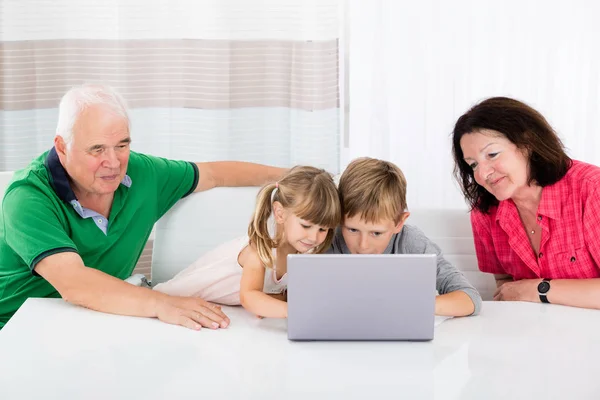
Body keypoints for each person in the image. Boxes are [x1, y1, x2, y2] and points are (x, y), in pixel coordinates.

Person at [0, 84, 286, 330]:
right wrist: (162, 304)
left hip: (97, 323)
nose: (112, 162)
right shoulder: (28, 196)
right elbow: (74, 282)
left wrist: (300, 177)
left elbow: (213, 174)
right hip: (17, 328)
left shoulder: (142, 173)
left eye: (121, 145)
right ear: (62, 147)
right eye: (97, 149)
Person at [452, 96, 600, 309]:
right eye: (473, 165)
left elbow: (524, 291)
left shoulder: (592, 190)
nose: (483, 173)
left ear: (527, 143)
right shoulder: (485, 213)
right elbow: (507, 290)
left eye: (492, 154)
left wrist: (540, 289)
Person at [154, 166, 342, 318]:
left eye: (323, 229)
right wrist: (291, 311)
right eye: (307, 226)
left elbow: (274, 293)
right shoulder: (258, 251)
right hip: (170, 298)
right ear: (280, 213)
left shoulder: (304, 249)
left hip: (215, 306)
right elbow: (250, 296)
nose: (314, 237)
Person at [328, 157, 481, 316]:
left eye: (377, 233)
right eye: (352, 230)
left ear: (399, 222)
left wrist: (412, 305)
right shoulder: (328, 240)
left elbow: (470, 298)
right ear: (339, 218)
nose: (363, 245)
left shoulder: (410, 242)